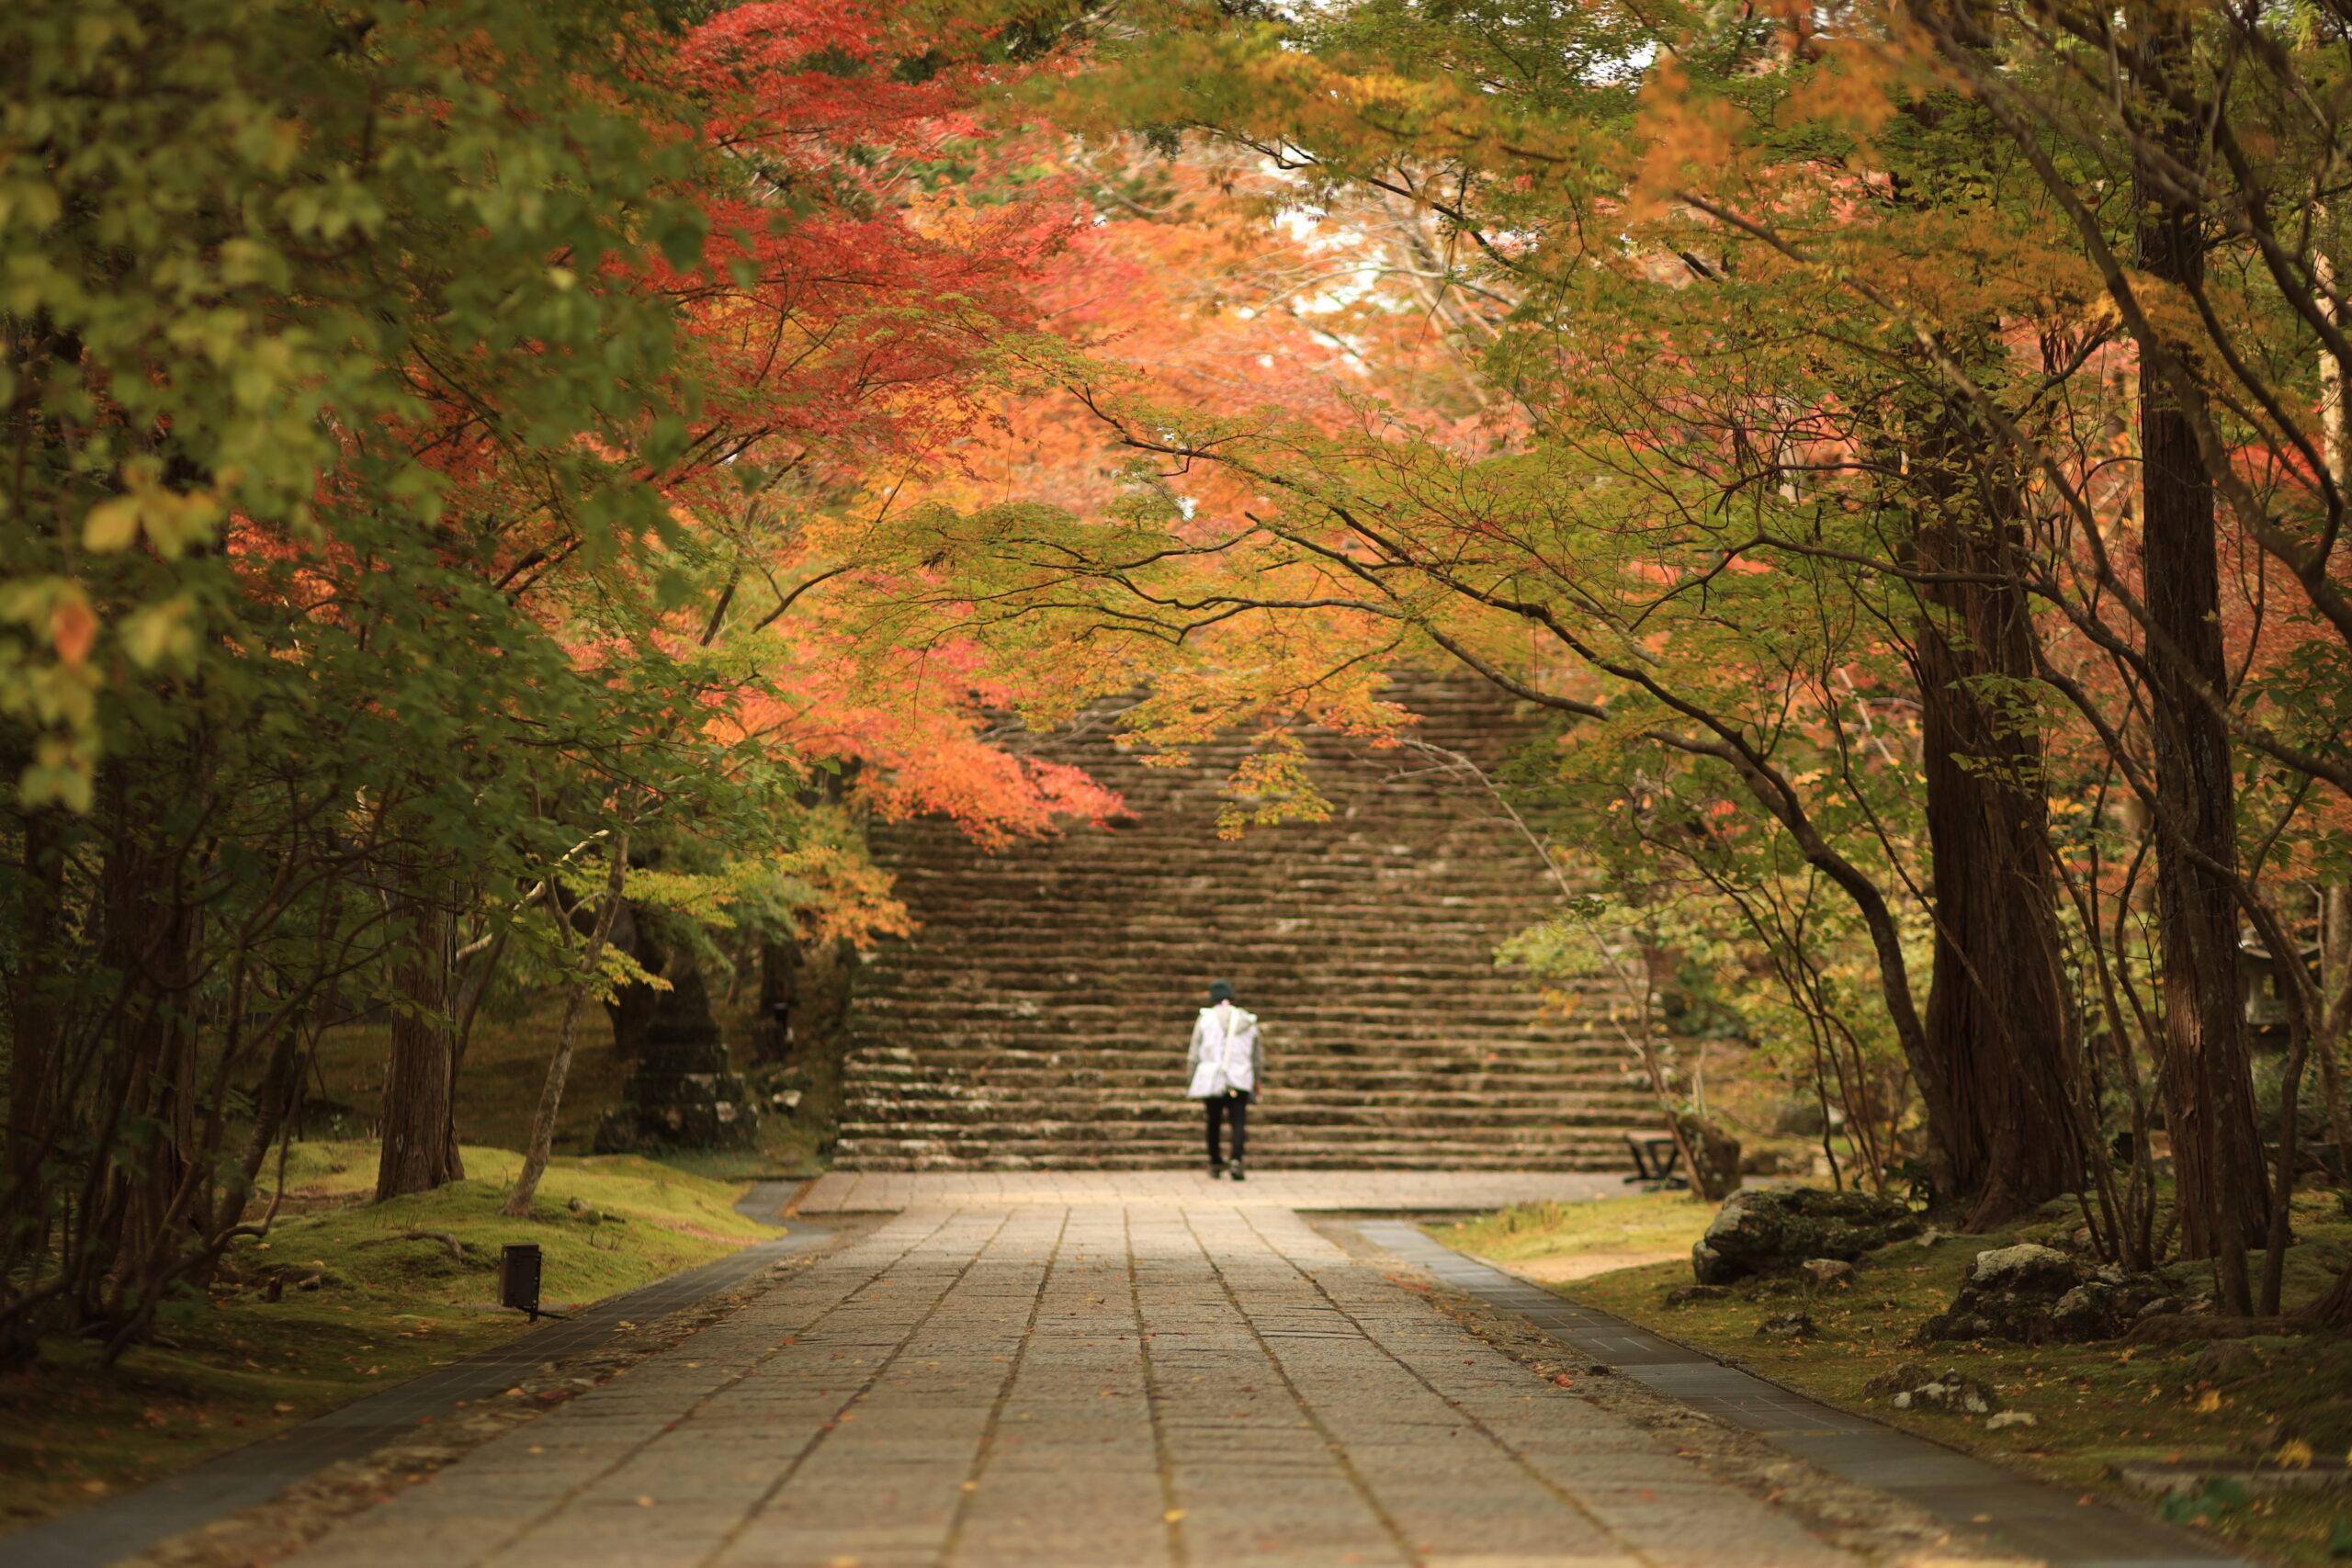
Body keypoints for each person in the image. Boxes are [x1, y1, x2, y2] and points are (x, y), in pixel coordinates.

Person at [1187, 979, 1261, 1180]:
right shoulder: (1248, 1020)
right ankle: (1237, 1160)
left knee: (1214, 1121)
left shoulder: (1206, 1019)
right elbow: (1257, 1056)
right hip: (1241, 1076)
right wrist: (1256, 1080)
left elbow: (1194, 1053)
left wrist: (1192, 1077)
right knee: (1238, 1122)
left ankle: (1215, 1161)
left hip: (1212, 1078)